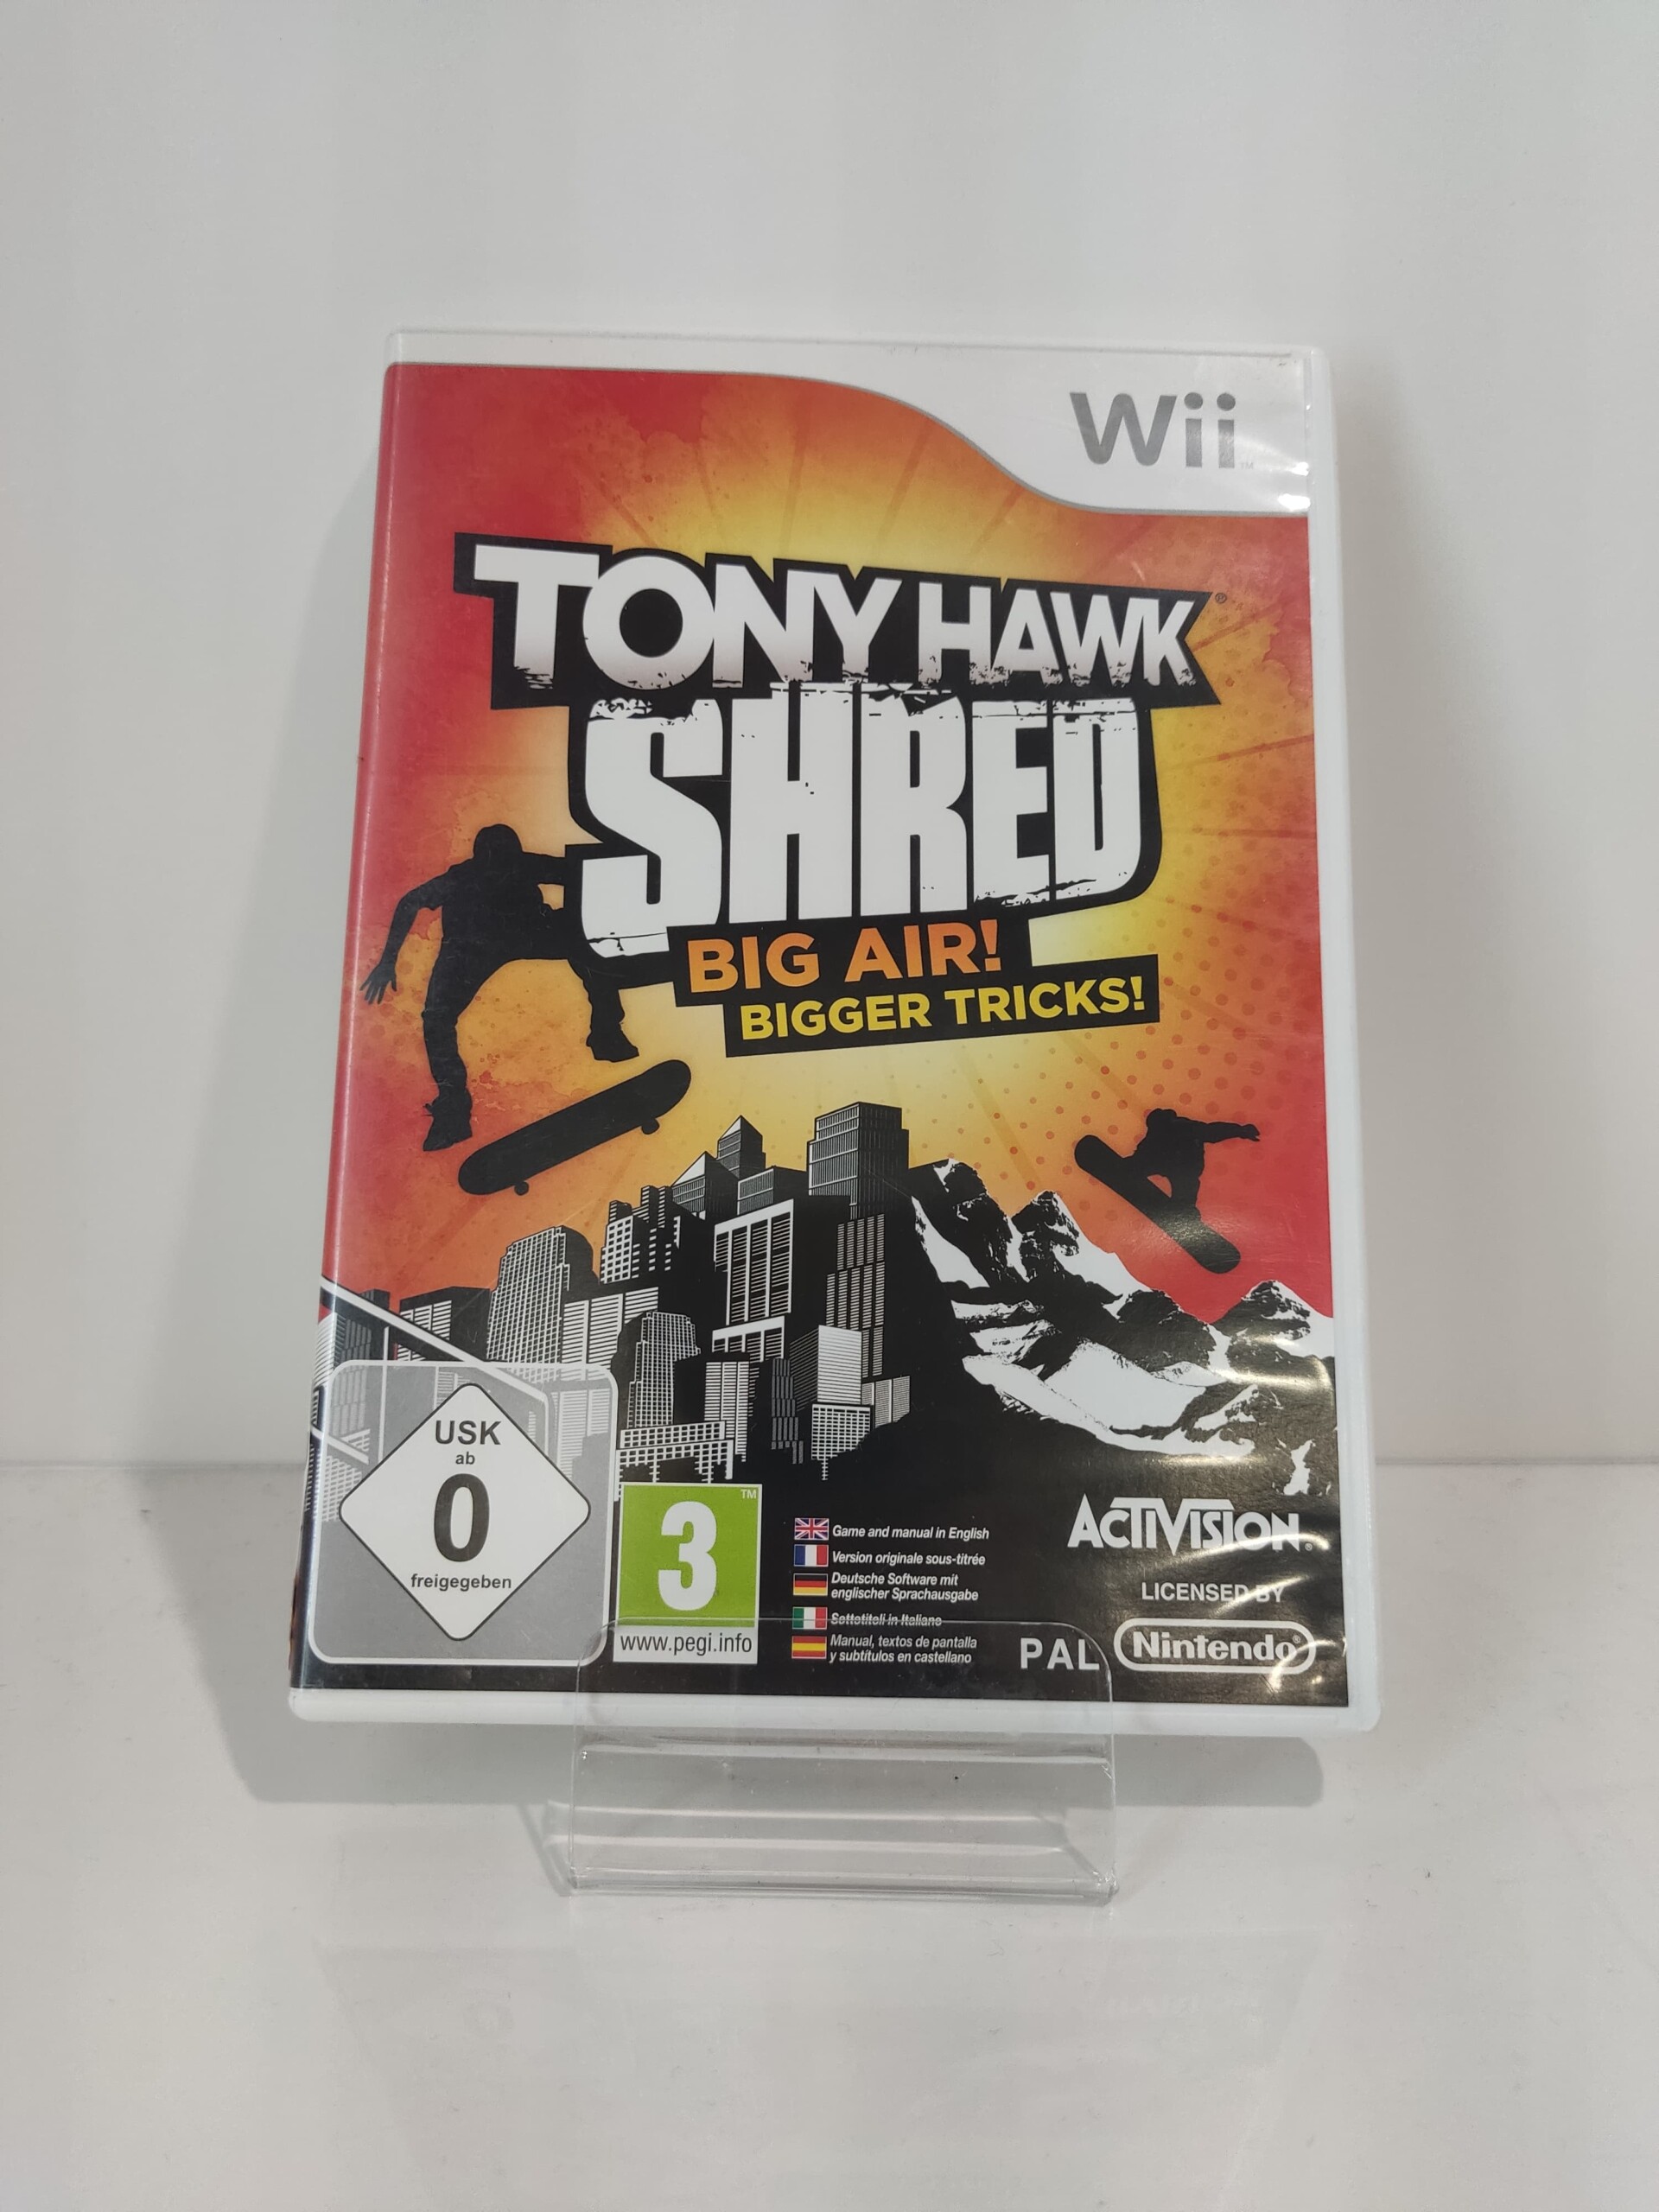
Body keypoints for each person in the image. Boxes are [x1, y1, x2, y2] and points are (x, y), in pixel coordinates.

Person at [361, 824, 635, 1150]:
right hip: (474, 945)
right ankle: (453, 1108)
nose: (500, 871)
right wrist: (387, 959)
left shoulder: (509, 867)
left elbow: (583, 875)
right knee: (437, 1017)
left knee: (589, 940)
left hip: (516, 932)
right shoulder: (472, 875)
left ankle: (605, 1031)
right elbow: (410, 902)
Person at [1126, 1106, 1258, 1211]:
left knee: (1186, 1184)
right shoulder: (1156, 1131)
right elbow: (1144, 1150)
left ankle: (1184, 1206)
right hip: (1175, 1164)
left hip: (1183, 1166)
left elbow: (1212, 1131)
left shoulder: (1182, 1126)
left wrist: (1240, 1130)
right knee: (1186, 1183)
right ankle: (1184, 1205)